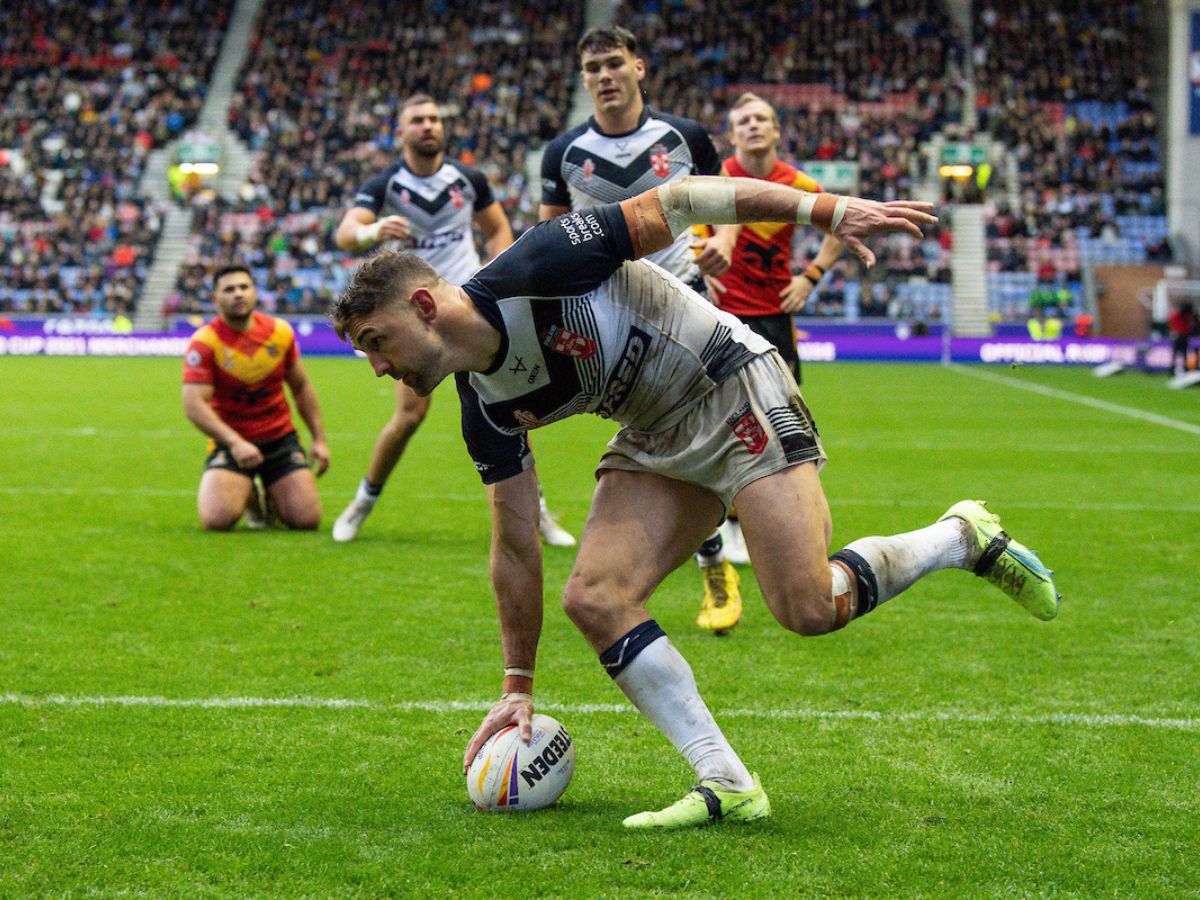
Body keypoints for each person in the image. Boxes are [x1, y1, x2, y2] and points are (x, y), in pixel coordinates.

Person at [327, 175, 1060, 829]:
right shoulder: (483, 408)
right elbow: (515, 544)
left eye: (374, 341)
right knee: (596, 595)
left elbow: (683, 200)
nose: (376, 365)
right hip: (655, 435)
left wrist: (827, 210)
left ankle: (960, 538)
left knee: (805, 608)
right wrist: (517, 684)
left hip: (732, 383)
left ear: (423, 304)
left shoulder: (539, 263)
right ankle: (727, 782)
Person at [539, 24, 744, 633]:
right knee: (657, 439)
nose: (604, 75)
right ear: (583, 80)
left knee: (697, 432)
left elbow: (728, 200)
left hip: (689, 307)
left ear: (639, 67)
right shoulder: (564, 154)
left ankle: (706, 563)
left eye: (613, 63)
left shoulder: (685, 137)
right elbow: (549, 242)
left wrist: (724, 246)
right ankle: (704, 560)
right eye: (592, 67)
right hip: (612, 319)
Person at [331, 94, 575, 547]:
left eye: (434, 119)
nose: (428, 126)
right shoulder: (386, 184)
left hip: (466, 312)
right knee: (408, 415)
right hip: (412, 322)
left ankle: (537, 513)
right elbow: (346, 233)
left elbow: (498, 228)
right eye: (417, 120)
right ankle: (363, 502)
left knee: (511, 407)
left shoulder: (468, 178)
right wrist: (371, 231)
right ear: (399, 132)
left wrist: (491, 273)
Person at [698, 92, 849, 565]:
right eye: (743, 120)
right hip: (723, 317)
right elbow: (690, 231)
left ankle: (769, 522)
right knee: (724, 421)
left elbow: (842, 226)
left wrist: (811, 277)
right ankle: (728, 525)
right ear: (733, 132)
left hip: (774, 317)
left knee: (780, 423)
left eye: (762, 118)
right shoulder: (718, 178)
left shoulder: (799, 182)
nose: (753, 126)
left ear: (777, 130)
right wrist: (702, 267)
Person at [182, 264, 330, 530]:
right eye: (229, 289)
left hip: (280, 439)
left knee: (306, 520)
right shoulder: (204, 342)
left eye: (244, 287)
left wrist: (319, 439)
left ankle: (273, 491)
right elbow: (193, 404)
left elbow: (301, 387)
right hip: (231, 442)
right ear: (215, 298)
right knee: (217, 520)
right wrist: (235, 442)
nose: (238, 294)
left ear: (254, 292)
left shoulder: (280, 332)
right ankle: (248, 492)